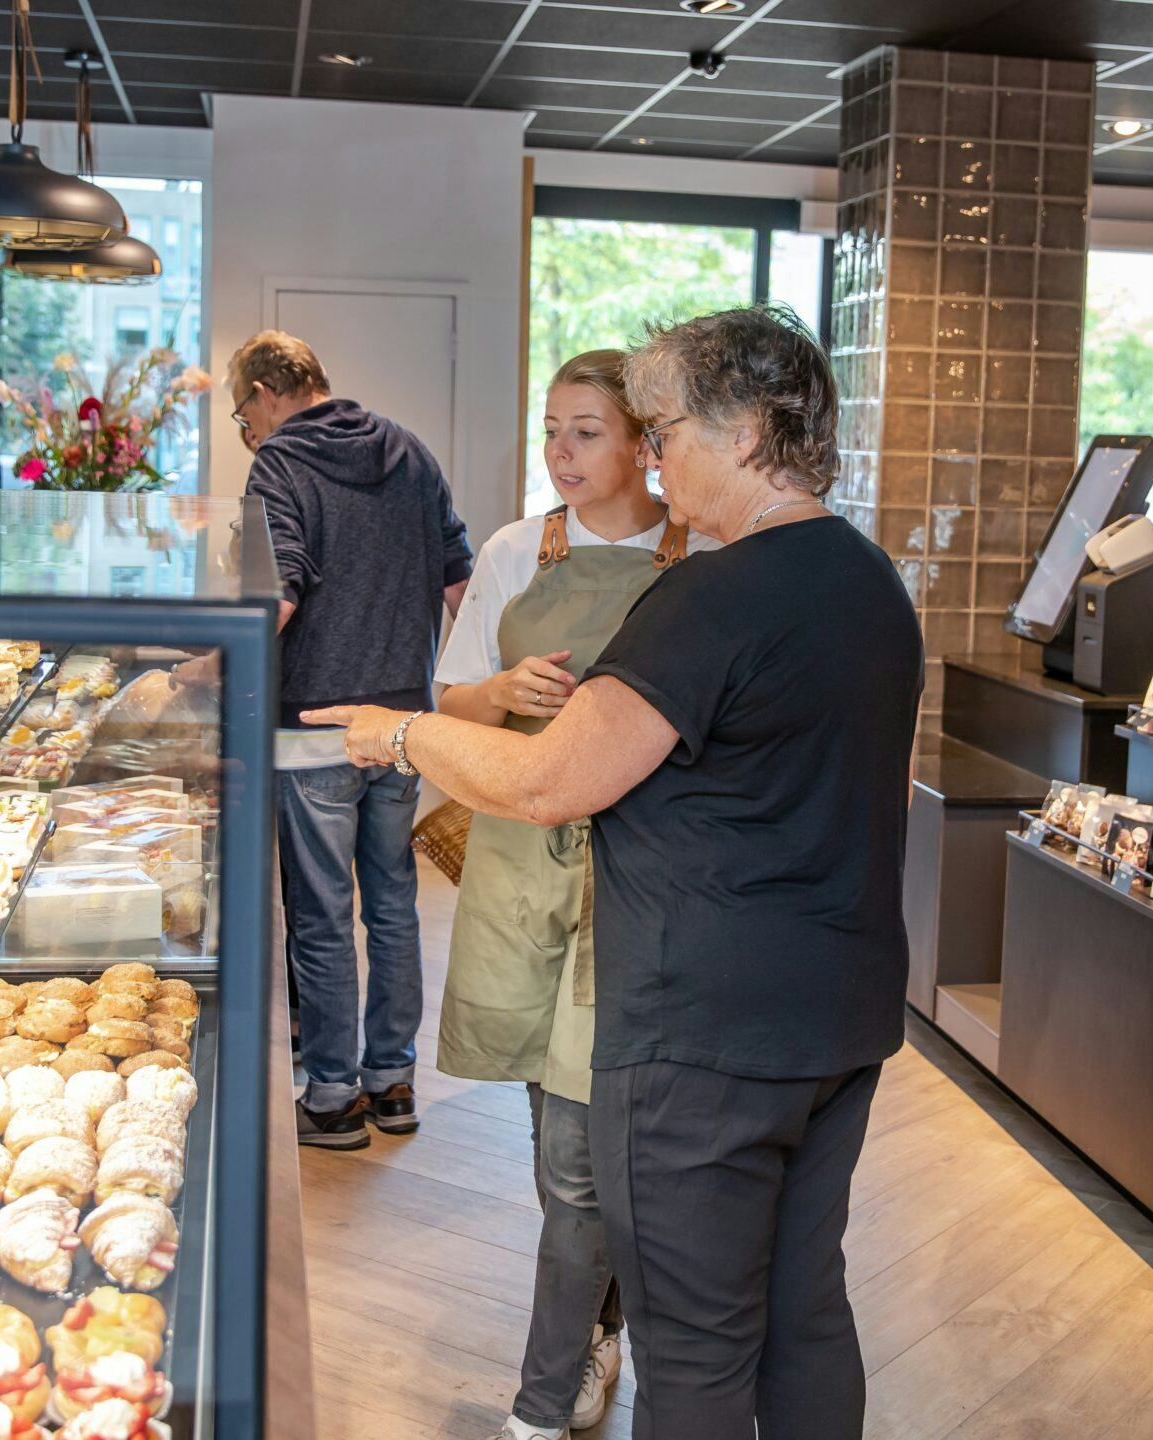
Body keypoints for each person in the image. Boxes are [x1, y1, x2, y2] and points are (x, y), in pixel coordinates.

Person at [305, 306, 922, 1437]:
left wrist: (397, 735)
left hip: (702, 1031)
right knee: (805, 1313)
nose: (651, 454)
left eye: (664, 428)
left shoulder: (709, 598)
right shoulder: (868, 581)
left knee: (692, 1344)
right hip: (837, 1013)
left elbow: (551, 782)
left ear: (743, 435)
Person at [435, 350, 713, 1439]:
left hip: (640, 883)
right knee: (560, 1141)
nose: (560, 452)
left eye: (585, 431)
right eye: (551, 431)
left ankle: (551, 1388)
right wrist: (499, 693)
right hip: (518, 878)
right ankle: (601, 1332)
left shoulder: (706, 559)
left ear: (646, 442)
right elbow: (449, 700)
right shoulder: (515, 550)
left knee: (580, 1162)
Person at [227, 329, 474, 1149]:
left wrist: (213, 661)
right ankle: (392, 1083)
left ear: (266, 392)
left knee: (322, 914)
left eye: (241, 416)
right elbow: (459, 582)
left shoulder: (280, 464)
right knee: (394, 902)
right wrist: (460, 698)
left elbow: (282, 592)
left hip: (315, 731)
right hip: (403, 726)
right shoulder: (408, 450)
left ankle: (332, 1097)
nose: (248, 433)